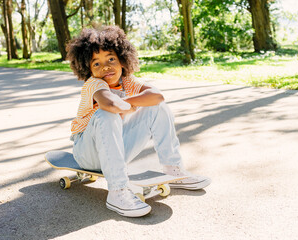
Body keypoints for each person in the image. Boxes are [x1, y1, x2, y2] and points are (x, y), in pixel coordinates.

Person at [66, 26, 211, 218]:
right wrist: (129, 106)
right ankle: (117, 192)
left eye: (111, 59)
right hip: (87, 153)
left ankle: (173, 169)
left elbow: (157, 96)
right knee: (105, 114)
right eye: (96, 64)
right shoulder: (94, 83)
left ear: (123, 60)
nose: (106, 67)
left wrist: (126, 104)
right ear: (88, 69)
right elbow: (108, 104)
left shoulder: (127, 81)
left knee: (157, 107)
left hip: (114, 151)